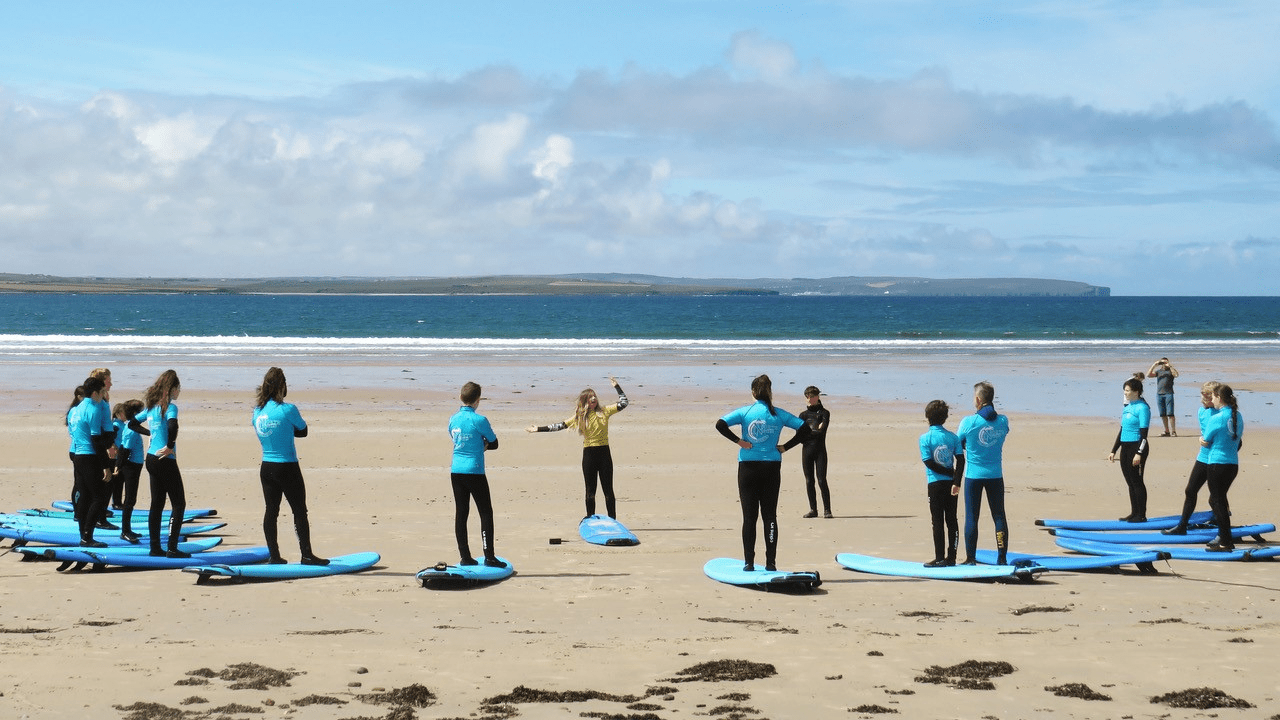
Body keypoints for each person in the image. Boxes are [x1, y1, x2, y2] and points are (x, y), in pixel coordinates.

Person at [715, 374, 809, 572]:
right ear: (770, 392)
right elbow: (805, 429)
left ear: (753, 392)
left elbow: (720, 424)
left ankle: (749, 563)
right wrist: (785, 447)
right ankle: (771, 563)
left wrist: (739, 442)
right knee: (770, 517)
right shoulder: (779, 414)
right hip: (771, 468)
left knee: (749, 518)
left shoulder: (745, 411)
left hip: (748, 468)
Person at [252, 367, 328, 565]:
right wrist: (287, 429)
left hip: (266, 467)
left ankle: (274, 556)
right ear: (282, 386)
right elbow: (303, 431)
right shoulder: (288, 409)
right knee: (299, 511)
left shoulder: (257, 412)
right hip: (287, 467)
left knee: (271, 510)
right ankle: (307, 555)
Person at [526, 377, 629, 518]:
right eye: (590, 397)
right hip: (589, 455)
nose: (593, 398)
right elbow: (559, 426)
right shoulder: (579, 417)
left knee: (608, 491)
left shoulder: (605, 411)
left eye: (594, 396)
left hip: (604, 453)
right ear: (585, 401)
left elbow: (624, 403)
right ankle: (590, 517)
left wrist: (617, 386)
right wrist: (538, 429)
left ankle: (613, 520)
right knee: (590, 491)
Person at [131, 369, 189, 558]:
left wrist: (150, 434)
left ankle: (155, 547)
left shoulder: (151, 408)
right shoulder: (169, 408)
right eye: (178, 388)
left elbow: (131, 423)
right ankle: (172, 548)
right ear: (172, 388)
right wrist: (170, 445)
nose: (179, 391)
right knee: (179, 504)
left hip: (151, 459)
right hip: (165, 459)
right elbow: (173, 425)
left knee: (156, 505)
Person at [448, 381, 505, 568]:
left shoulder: (453, 419)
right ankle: (489, 556)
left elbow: (455, 440)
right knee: (485, 513)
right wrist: (482, 444)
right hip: (475, 471)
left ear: (460, 397)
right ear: (478, 400)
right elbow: (495, 443)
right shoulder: (480, 420)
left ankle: (465, 556)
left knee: (461, 513)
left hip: (456, 471)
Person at [956, 381, 1010, 566]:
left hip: (974, 476)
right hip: (996, 474)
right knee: (999, 516)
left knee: (972, 517)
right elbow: (1002, 432)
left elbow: (958, 443)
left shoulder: (969, 422)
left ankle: (970, 558)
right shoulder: (1003, 421)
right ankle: (1001, 558)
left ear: (978, 399)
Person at [1162, 381, 1221, 536]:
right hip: (1203, 456)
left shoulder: (1222, 413)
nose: (1203, 399)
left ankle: (1221, 521)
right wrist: (1202, 439)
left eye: (1207, 396)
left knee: (1215, 496)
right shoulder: (1201, 411)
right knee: (1190, 490)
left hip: (1218, 458)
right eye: (1202, 395)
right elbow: (1205, 432)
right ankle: (1182, 526)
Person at [68, 376, 112, 547]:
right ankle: (87, 537)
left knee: (85, 497)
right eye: (102, 392)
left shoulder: (77, 408)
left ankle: (83, 536)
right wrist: (106, 466)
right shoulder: (93, 409)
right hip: (89, 456)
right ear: (95, 393)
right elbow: (96, 440)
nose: (104, 395)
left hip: (78, 456)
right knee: (98, 498)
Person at [920, 400, 963, 567]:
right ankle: (951, 558)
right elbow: (961, 461)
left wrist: (951, 475)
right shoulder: (953, 437)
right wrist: (956, 479)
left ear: (927, 417)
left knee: (937, 521)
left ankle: (939, 558)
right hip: (952, 485)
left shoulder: (925, 438)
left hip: (935, 484)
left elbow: (929, 463)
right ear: (945, 418)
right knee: (952, 520)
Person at [1201, 384, 1243, 552]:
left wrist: (1200, 441)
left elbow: (1206, 440)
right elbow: (1238, 439)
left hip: (1217, 464)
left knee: (1217, 501)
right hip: (1232, 464)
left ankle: (1225, 541)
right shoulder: (1237, 416)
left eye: (1214, 397)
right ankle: (1224, 537)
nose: (1212, 399)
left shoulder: (1217, 418)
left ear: (1219, 397)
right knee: (1217, 500)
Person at [1108, 374, 1151, 523]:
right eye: (1124, 390)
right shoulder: (1127, 407)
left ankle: (1142, 515)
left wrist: (1139, 453)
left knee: (1137, 481)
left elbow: (1144, 435)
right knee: (1130, 481)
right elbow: (1122, 430)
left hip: (1137, 446)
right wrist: (1114, 450)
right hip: (1125, 447)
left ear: (1136, 391)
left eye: (1127, 390)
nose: (1125, 393)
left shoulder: (1143, 408)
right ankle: (1134, 513)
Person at [112, 399, 147, 543]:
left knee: (131, 499)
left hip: (134, 466)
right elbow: (125, 450)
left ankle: (128, 529)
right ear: (135, 414)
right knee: (129, 500)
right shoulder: (131, 430)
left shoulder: (132, 427)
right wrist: (118, 467)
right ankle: (125, 531)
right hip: (130, 467)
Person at [88, 367, 119, 530]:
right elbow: (97, 424)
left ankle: (101, 514)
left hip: (106, 440)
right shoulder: (97, 400)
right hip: (101, 444)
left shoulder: (104, 397)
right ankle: (99, 518)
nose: (111, 383)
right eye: (109, 380)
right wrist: (107, 445)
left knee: (107, 482)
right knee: (105, 482)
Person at [798, 386, 832, 519]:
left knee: (822, 480)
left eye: (812, 396)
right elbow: (800, 436)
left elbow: (821, 432)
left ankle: (827, 510)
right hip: (806, 451)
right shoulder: (803, 415)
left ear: (818, 397)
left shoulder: (825, 413)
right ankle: (813, 510)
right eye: (807, 396)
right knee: (809, 481)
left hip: (820, 451)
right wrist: (814, 431)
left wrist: (809, 433)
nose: (809, 399)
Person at [1147, 357, 1180, 437]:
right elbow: (1148, 375)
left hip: (1169, 394)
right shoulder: (1159, 372)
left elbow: (1176, 375)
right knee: (1162, 414)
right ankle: (1166, 431)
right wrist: (1154, 365)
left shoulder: (1170, 371)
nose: (1164, 364)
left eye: (1165, 362)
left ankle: (1173, 431)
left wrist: (1170, 366)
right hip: (1159, 394)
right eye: (1163, 363)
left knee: (1170, 413)